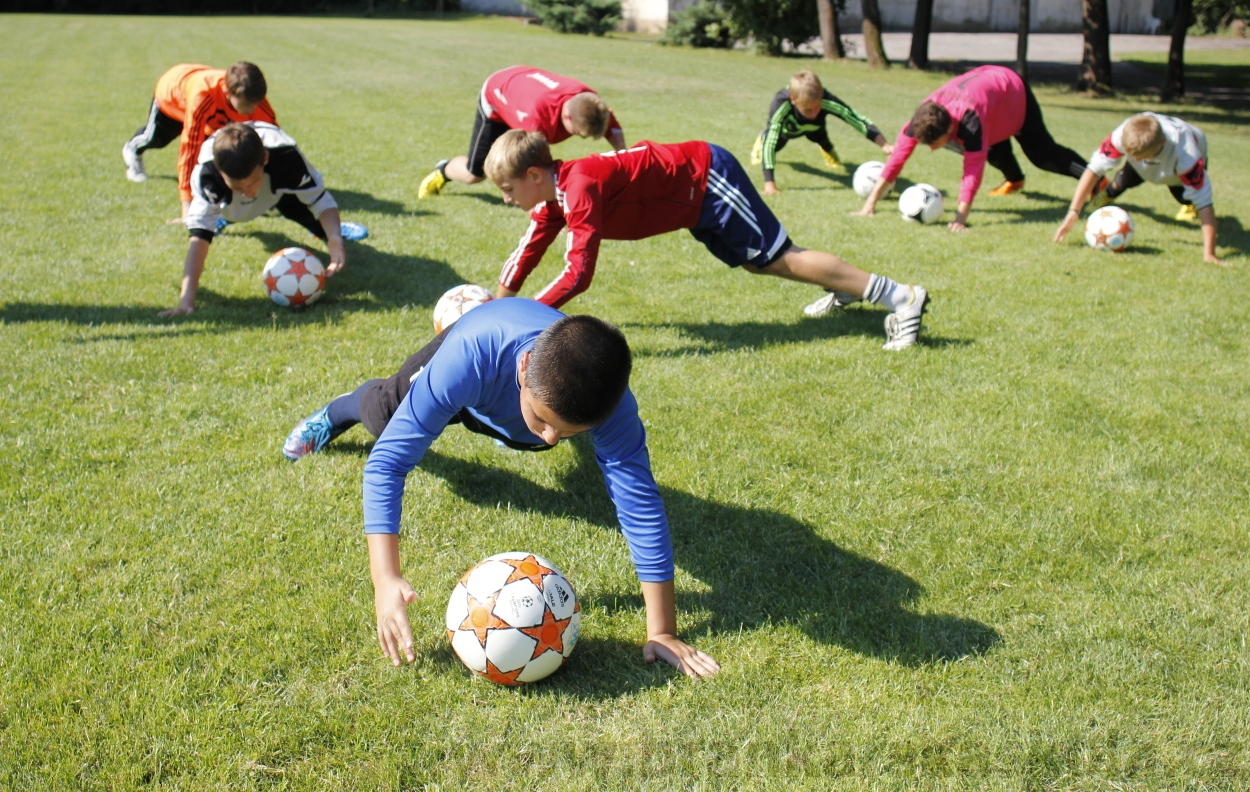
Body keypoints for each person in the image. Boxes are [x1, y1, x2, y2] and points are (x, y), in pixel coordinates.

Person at [281, 298, 722, 679]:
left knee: (535, 435)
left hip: (507, 392)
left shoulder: (613, 406)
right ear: (525, 366)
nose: (549, 439)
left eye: (567, 432)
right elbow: (388, 465)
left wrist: (661, 630)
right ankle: (339, 410)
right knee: (382, 417)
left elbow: (639, 504)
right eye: (545, 420)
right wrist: (385, 578)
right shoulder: (469, 356)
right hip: (476, 365)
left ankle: (510, 421)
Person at [487, 130, 930, 350]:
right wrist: (497, 307)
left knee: (778, 257)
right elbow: (529, 250)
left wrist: (525, 316)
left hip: (707, 178)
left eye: (508, 190)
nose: (508, 200)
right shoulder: (553, 197)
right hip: (691, 203)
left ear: (533, 175)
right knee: (760, 263)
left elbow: (578, 273)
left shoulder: (578, 187)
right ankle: (843, 285)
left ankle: (900, 296)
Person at [164, 121, 366, 316]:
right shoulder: (208, 174)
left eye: (252, 182)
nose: (247, 192)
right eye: (237, 186)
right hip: (229, 206)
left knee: (314, 219)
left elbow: (321, 200)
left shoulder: (286, 156)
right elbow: (199, 238)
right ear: (220, 172)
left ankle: (330, 231)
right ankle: (225, 217)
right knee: (231, 212)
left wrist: (334, 238)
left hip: (277, 192)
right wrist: (186, 302)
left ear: (266, 159)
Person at [855, 65, 1087, 232]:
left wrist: (960, 219)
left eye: (934, 144)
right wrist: (870, 204)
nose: (932, 149)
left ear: (949, 131)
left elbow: (971, 173)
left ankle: (1094, 178)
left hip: (1011, 91)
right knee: (993, 151)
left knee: (1041, 154)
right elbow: (896, 160)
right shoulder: (920, 120)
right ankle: (1015, 181)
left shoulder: (969, 121)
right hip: (987, 92)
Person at [417, 65, 627, 198]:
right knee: (476, 174)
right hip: (496, 96)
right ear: (567, 117)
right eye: (581, 133)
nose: (585, 138)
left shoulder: (588, 101)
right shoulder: (537, 120)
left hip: (522, 86)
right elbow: (537, 173)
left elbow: (615, 133)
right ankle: (444, 170)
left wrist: (624, 167)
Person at [1053, 112, 1227, 266]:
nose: (1134, 159)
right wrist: (1073, 211)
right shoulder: (1124, 134)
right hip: (1149, 158)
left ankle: (1187, 205)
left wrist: (1209, 254)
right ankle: (1111, 191)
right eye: (1131, 156)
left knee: (1186, 198)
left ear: (1161, 145)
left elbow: (1205, 203)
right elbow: (1093, 169)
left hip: (1175, 169)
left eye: (1139, 157)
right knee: (1123, 180)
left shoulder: (1187, 156)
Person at [122, 62, 278, 218]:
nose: (252, 110)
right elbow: (190, 147)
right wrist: (187, 206)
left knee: (218, 151)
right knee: (156, 139)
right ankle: (132, 150)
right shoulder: (203, 96)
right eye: (247, 104)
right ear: (228, 93)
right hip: (172, 96)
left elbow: (276, 142)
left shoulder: (254, 98)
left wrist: (273, 191)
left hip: (210, 112)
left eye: (256, 103)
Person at [749, 69, 893, 196]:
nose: (815, 112)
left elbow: (855, 119)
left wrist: (885, 144)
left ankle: (825, 149)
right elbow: (772, 139)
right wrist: (770, 185)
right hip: (788, 131)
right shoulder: (781, 103)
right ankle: (760, 140)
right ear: (794, 100)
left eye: (818, 106)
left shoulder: (825, 99)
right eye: (808, 109)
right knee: (771, 145)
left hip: (816, 129)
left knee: (826, 144)